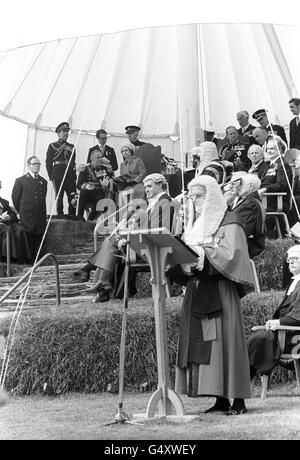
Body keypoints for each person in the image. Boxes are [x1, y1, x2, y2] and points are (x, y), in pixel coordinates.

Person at [175, 175, 255, 415]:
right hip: (198, 289)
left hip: (220, 290)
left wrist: (201, 254)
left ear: (211, 197)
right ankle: (220, 399)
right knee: (209, 346)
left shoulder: (230, 221)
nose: (195, 201)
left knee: (228, 343)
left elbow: (234, 255)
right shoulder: (193, 223)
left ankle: (239, 400)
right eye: (192, 197)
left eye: (200, 196)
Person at [73, 173, 175, 302]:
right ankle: (101, 282)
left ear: (160, 185)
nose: (147, 190)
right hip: (146, 243)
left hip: (152, 247)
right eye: (146, 187)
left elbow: (156, 231)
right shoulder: (155, 202)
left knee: (112, 240)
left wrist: (130, 234)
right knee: (113, 240)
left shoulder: (164, 202)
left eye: (149, 186)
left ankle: (94, 275)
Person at [248, 244, 300, 379]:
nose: (291, 262)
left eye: (295, 258)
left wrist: (279, 322)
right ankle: (245, 379)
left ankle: (247, 377)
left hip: (294, 335)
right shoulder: (294, 282)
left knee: (258, 339)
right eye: (289, 259)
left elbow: (298, 314)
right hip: (285, 331)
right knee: (254, 337)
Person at [12, 156, 47, 262]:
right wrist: (22, 211)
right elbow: (15, 198)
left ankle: (37, 261)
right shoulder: (20, 181)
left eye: (38, 164)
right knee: (28, 236)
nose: (37, 166)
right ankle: (28, 261)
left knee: (38, 237)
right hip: (27, 215)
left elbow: (43, 198)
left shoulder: (43, 181)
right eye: (34, 164)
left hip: (39, 215)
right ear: (28, 166)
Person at [225, 172, 265, 258]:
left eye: (242, 184)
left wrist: (224, 204)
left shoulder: (251, 203)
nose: (238, 187)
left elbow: (234, 224)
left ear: (250, 186)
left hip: (247, 248)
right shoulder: (246, 201)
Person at [45, 121, 76, 216]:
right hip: (58, 175)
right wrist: (51, 176)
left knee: (72, 197)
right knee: (59, 197)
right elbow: (48, 162)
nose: (66, 133)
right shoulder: (53, 146)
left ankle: (72, 215)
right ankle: (60, 216)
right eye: (63, 131)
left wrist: (74, 176)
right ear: (58, 133)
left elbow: (73, 163)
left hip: (70, 175)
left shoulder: (72, 146)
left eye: (67, 131)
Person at [258, 134, 292, 215]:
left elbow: (281, 184)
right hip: (264, 199)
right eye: (267, 149)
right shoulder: (270, 164)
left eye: (272, 149)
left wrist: (265, 189)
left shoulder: (282, 165)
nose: (269, 151)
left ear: (280, 150)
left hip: (274, 202)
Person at [76, 150, 114, 220]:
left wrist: (106, 186)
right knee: (82, 194)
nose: (100, 159)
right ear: (92, 159)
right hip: (87, 192)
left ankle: (89, 220)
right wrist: (86, 186)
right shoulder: (85, 168)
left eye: (101, 157)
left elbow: (110, 181)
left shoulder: (105, 168)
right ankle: (79, 219)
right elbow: (78, 185)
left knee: (100, 201)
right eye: (98, 157)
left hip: (99, 192)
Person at [0, 180, 31, 263]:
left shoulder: (4, 202)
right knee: (8, 230)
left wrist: (9, 217)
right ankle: (9, 258)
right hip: (1, 225)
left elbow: (13, 214)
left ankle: (23, 258)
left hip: (8, 222)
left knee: (20, 229)